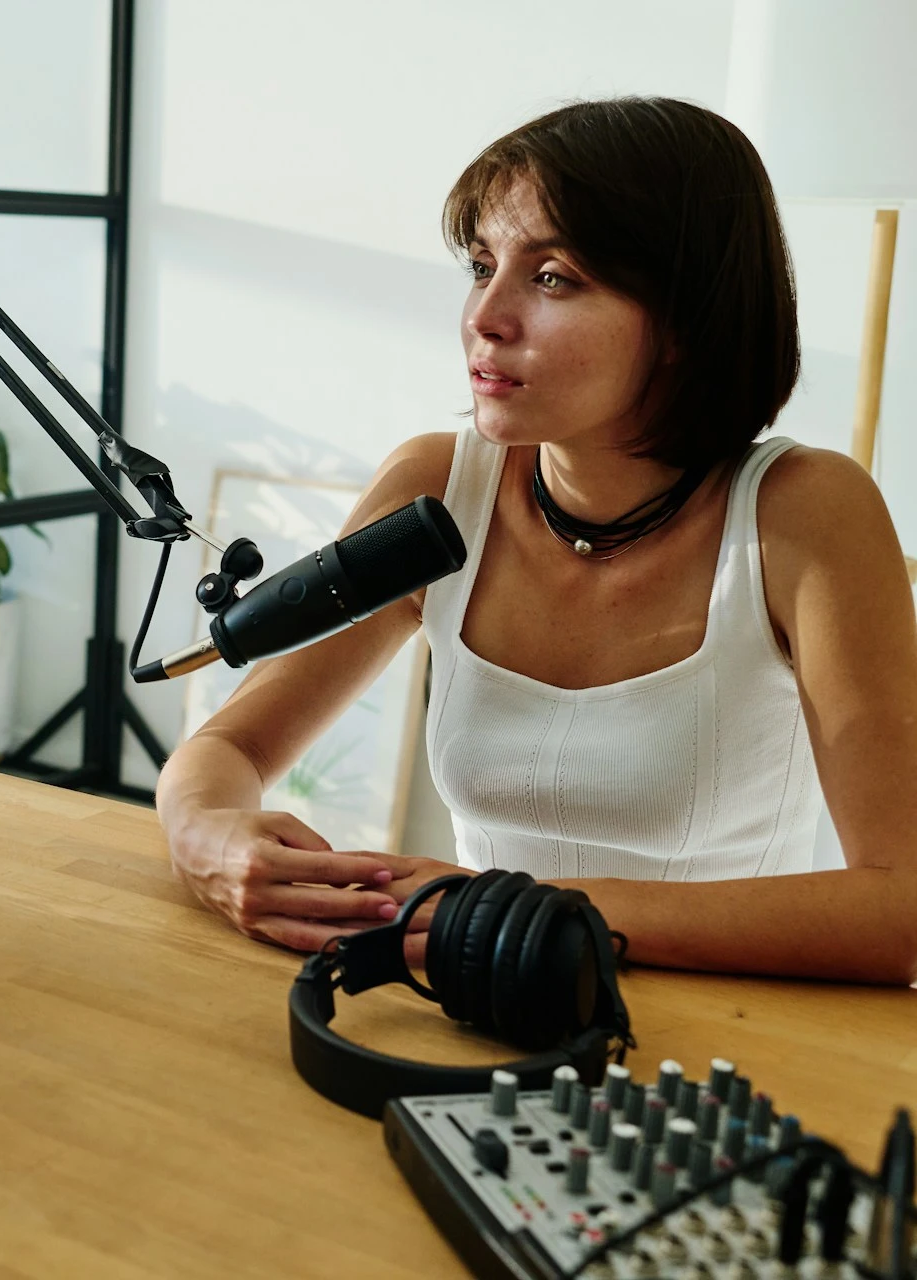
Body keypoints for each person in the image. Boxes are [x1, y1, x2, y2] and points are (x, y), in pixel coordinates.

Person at [158, 97, 917, 987]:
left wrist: (516, 908)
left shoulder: (804, 513)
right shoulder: (437, 489)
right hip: (479, 987)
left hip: (730, 1033)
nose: (487, 314)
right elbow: (231, 749)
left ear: (683, 320)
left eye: (552, 277)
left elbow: (898, 910)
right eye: (482, 265)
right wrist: (206, 834)